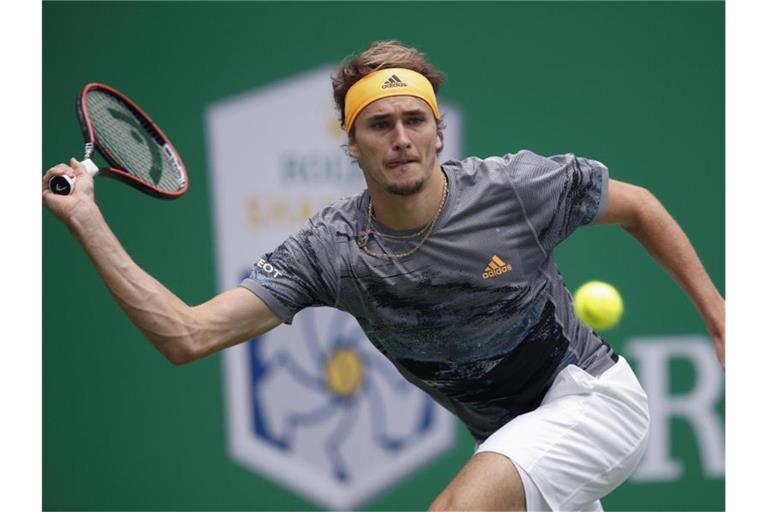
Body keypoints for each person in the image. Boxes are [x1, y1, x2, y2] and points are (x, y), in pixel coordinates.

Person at [43, 40, 725, 511]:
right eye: (379, 125)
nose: (400, 137)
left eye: (414, 120)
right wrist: (87, 222)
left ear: (438, 133)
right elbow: (185, 336)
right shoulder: (332, 250)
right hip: (511, 441)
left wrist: (722, 320)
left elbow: (639, 207)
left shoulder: (511, 189)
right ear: (351, 144)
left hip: (592, 400)